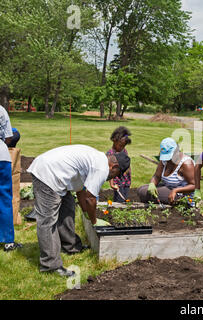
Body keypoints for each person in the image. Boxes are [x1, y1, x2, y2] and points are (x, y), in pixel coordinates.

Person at [27, 144, 130, 277]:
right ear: (114, 167)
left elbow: (81, 191)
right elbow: (91, 199)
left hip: (54, 172)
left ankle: (71, 246)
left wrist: (86, 212)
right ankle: (50, 265)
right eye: (117, 174)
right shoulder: (101, 168)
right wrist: (94, 221)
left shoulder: (97, 159)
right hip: (46, 174)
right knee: (47, 220)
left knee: (68, 206)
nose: (113, 178)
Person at [138, 138, 195, 205]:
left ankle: (179, 203)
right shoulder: (164, 161)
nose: (167, 159)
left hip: (181, 194)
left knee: (143, 193)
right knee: (141, 189)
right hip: (168, 188)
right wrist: (152, 184)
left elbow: (194, 185)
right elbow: (157, 176)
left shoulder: (186, 163)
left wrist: (175, 190)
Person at [0, 104, 22, 251]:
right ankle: (8, 241)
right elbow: (9, 136)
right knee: (4, 198)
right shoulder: (1, 110)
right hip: (1, 157)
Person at [107, 126, 132, 203]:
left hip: (126, 180)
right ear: (114, 140)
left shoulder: (124, 151)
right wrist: (112, 184)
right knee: (119, 201)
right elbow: (110, 170)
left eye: (124, 146)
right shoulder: (110, 154)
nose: (122, 148)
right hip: (117, 182)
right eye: (121, 145)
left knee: (125, 198)